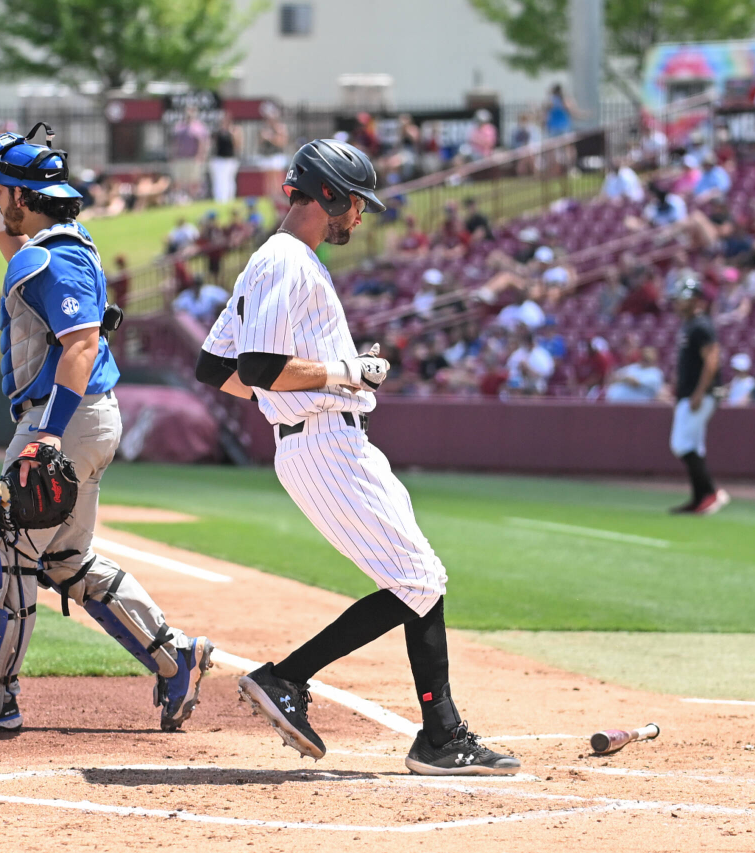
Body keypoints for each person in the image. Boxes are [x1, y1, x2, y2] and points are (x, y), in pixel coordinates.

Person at [195, 138, 520, 776]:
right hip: (323, 441)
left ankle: (439, 733)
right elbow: (257, 368)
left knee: (420, 577)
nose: (359, 217)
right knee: (419, 580)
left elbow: (215, 368)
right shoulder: (287, 260)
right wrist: (344, 372)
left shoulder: (277, 259)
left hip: (322, 440)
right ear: (329, 195)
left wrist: (304, 389)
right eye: (355, 204)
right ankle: (290, 680)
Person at [0, 123, 213, 733]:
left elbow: (80, 344)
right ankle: (174, 657)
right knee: (65, 560)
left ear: (22, 196)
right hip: (85, 416)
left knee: (7, 552)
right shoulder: (59, 244)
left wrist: (46, 435)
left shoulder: (54, 256)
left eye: (0, 193)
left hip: (65, 419)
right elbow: (23, 264)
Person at [668, 278, 729, 515]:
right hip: (690, 394)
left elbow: (712, 360)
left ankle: (711, 493)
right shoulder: (690, 325)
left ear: (695, 300)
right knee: (693, 446)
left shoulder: (701, 325)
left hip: (700, 395)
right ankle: (698, 499)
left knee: (681, 445)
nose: (677, 303)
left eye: (682, 298)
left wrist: (698, 393)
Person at [169, 107, 209, 200]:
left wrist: (200, 156)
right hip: (180, 158)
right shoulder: (179, 126)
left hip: (193, 158)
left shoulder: (199, 127)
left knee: (193, 180)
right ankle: (180, 198)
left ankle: (192, 198)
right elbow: (175, 143)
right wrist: (172, 155)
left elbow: (203, 143)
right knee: (179, 179)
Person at [504, 327, 554, 395]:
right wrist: (520, 369)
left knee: (537, 386)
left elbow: (546, 373)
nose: (528, 345)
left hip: (536, 383)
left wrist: (528, 369)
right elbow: (509, 370)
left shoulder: (542, 354)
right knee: (512, 385)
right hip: (519, 383)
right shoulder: (519, 353)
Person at [208, 113, 240, 203]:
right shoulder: (217, 131)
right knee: (219, 180)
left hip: (230, 159)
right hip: (219, 159)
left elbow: (238, 145)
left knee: (229, 180)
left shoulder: (235, 131)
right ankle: (220, 199)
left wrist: (232, 133)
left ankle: (230, 198)